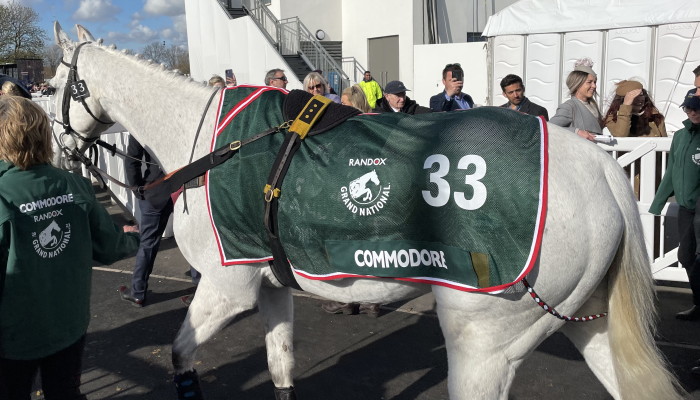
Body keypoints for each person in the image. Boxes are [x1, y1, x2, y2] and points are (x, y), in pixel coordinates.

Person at [0, 96, 139, 400]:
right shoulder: (74, 185)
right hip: (68, 325)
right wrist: (135, 237)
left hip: (13, 336)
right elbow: (109, 247)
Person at [119, 137, 200, 306]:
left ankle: (138, 292)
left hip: (155, 191)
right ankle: (200, 289)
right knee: (191, 236)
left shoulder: (140, 119)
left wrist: (138, 189)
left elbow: (131, 160)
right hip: (184, 188)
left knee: (148, 243)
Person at [649, 88, 700, 321]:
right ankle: (698, 303)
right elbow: (671, 172)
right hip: (686, 209)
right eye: (688, 107)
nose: (692, 112)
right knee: (687, 256)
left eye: (696, 107)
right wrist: (658, 202)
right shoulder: (680, 136)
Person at [550, 58, 603, 141]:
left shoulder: (593, 106)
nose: (594, 86)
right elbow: (550, 127)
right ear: (577, 83)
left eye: (595, 82)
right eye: (589, 82)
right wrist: (576, 132)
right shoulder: (569, 107)